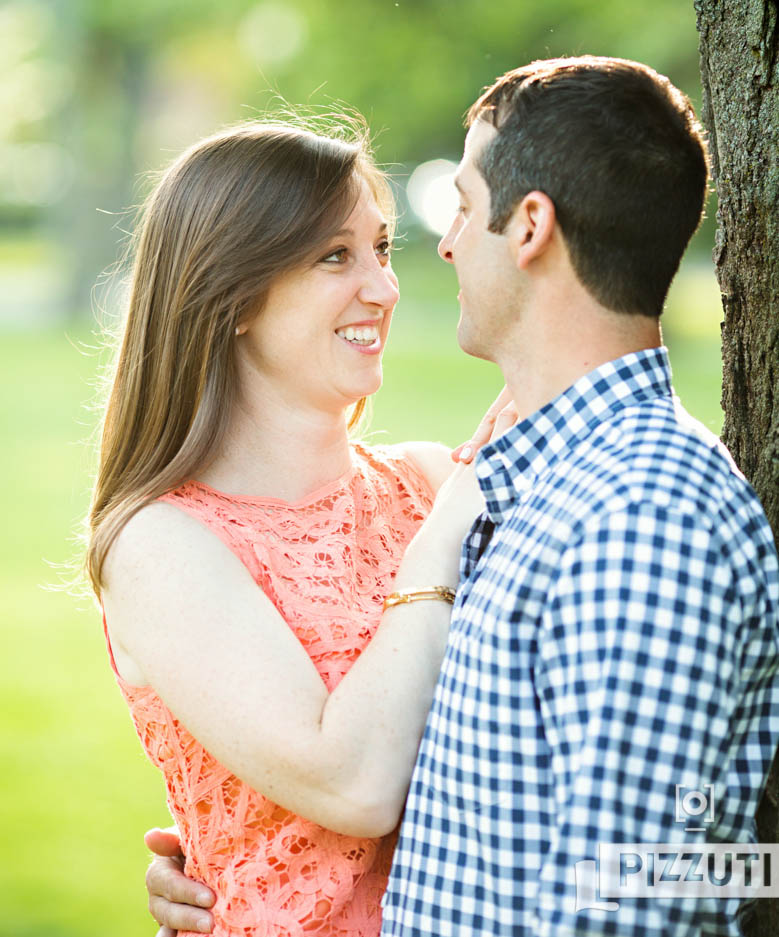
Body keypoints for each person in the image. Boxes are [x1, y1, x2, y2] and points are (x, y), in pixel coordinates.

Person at [148, 56, 779, 937]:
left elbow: (642, 894)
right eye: (338, 254)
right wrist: (239, 852)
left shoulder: (639, 510)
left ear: (528, 227)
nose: (435, 250)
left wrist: (750, 873)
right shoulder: (518, 483)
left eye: (462, 207)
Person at [89, 119, 513, 937]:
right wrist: (443, 535)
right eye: (334, 256)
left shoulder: (428, 479)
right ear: (235, 295)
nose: (383, 289)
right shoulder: (158, 544)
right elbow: (352, 787)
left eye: (382, 249)